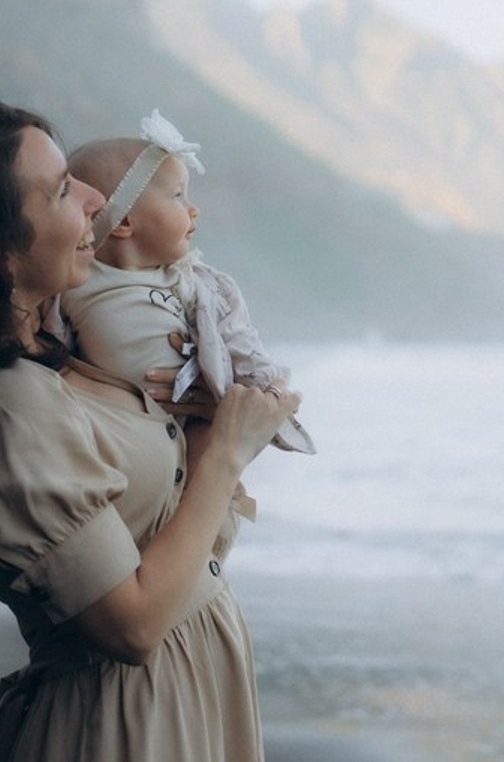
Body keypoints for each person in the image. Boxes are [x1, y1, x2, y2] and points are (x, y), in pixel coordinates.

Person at [0, 102, 300, 760]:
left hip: (191, 695)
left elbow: (176, 527)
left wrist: (207, 419)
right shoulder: (14, 401)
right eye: (59, 190)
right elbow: (131, 627)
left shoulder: (78, 353)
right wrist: (221, 449)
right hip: (120, 723)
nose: (94, 197)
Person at [64, 110, 314, 455]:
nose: (193, 209)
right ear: (123, 221)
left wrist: (269, 391)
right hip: (117, 444)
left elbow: (238, 341)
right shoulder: (75, 281)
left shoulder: (197, 285)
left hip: (191, 432)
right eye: (178, 195)